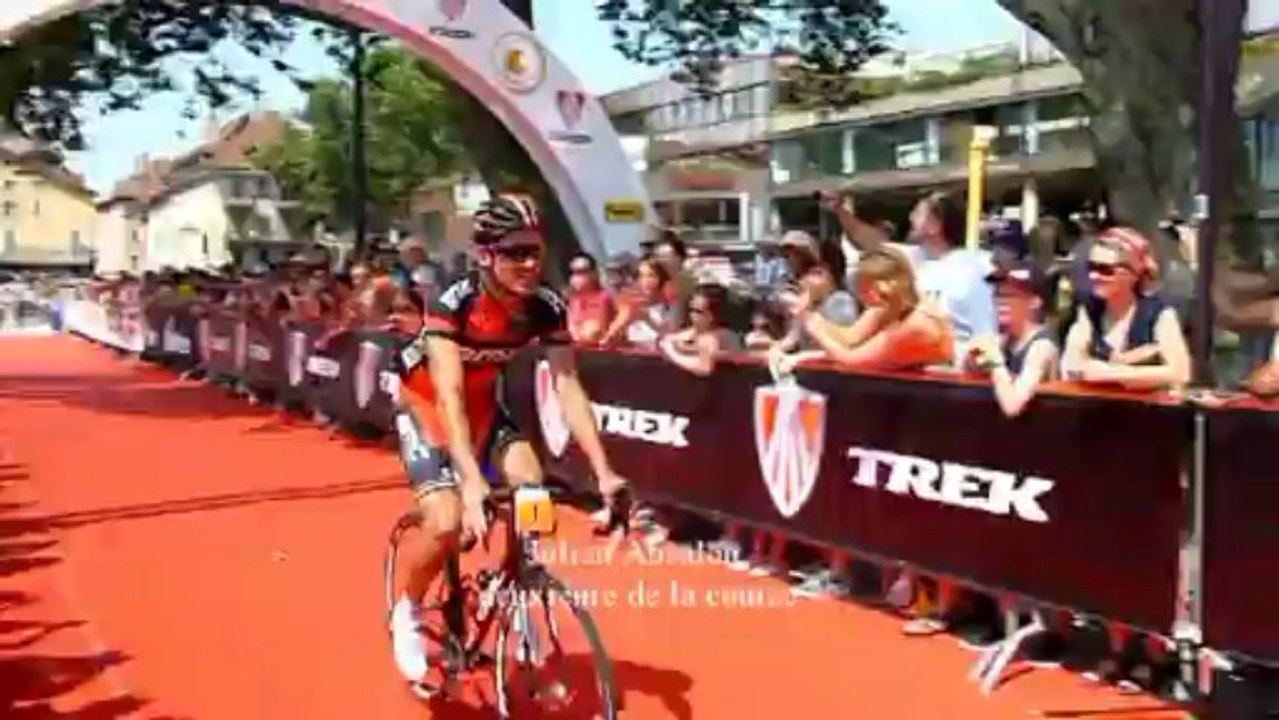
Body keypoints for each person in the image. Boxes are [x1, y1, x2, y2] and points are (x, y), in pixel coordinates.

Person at [388, 193, 627, 691]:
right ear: (485, 255)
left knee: (532, 490)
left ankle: (517, 587)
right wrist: (472, 481)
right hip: (429, 406)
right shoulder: (455, 303)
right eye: (515, 252)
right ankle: (406, 609)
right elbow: (449, 395)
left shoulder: (544, 306)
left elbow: (568, 386)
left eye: (535, 251)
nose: (529, 263)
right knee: (447, 521)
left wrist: (605, 472)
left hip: (483, 409)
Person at [777, 247, 953, 373]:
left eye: (867, 287)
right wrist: (809, 315)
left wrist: (816, 329)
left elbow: (851, 361)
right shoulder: (883, 309)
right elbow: (849, 339)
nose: (862, 294)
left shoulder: (919, 324)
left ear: (890, 285)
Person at [1061, 227, 1191, 390]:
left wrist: (1112, 372)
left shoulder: (1159, 313)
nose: (1094, 276)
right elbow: (1072, 365)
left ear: (1133, 274)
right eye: (1091, 267)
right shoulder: (1090, 309)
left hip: (1147, 404)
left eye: (1105, 270)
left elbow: (1180, 373)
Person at [969, 263, 1060, 418]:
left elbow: (1012, 407)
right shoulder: (1002, 343)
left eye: (1009, 295)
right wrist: (974, 355)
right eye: (998, 295)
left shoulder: (1042, 347)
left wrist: (994, 363)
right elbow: (971, 372)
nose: (1001, 302)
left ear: (1035, 302)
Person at [565, 252, 616, 345]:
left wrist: (579, 329)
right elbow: (573, 333)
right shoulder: (573, 300)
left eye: (580, 272)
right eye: (572, 272)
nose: (575, 276)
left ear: (593, 273)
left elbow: (593, 333)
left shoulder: (604, 297)